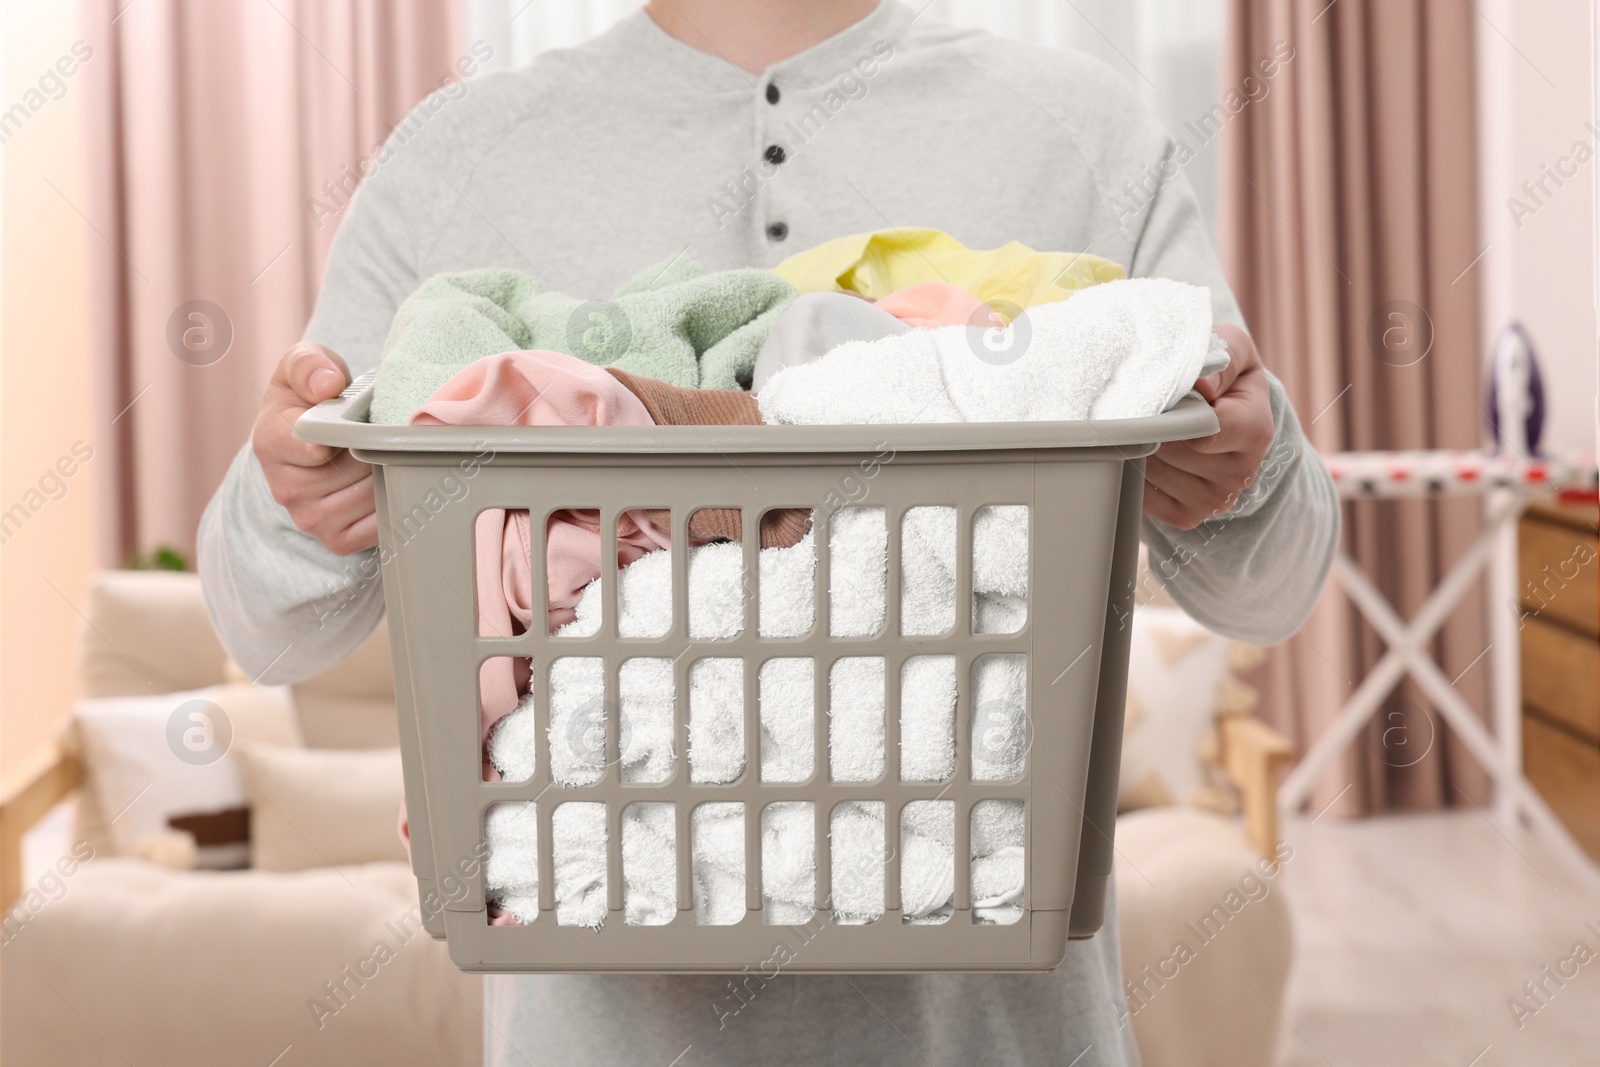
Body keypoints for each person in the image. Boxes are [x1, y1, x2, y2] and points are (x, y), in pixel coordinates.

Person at [199, 1, 1338, 1062]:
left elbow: (1268, 587)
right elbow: (268, 628)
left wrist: (1251, 451)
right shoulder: (460, 156)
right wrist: (297, 498)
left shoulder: (1075, 130)